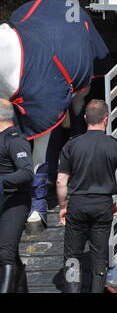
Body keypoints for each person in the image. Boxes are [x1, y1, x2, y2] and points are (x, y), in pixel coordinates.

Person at [56, 99, 117, 293]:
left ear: (85, 118)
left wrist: (63, 206)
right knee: (99, 256)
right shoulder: (115, 146)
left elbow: (60, 182)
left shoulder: (72, 145)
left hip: (78, 205)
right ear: (105, 119)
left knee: (73, 255)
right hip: (103, 205)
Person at [0, 98, 34, 293]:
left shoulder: (15, 140)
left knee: (4, 254)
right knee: (11, 254)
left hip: (15, 202)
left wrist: (2, 181)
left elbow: (27, 172)